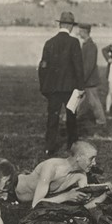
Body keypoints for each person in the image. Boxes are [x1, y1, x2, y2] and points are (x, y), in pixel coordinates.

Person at [38, 11, 84, 156]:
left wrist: (44, 86)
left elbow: (43, 67)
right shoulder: (74, 42)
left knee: (52, 117)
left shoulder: (49, 42)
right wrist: (81, 87)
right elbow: (78, 67)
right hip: (70, 88)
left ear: (60, 24)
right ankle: (72, 145)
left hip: (53, 88)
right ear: (70, 26)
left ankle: (49, 147)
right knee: (71, 117)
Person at [76, 23, 106, 126]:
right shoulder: (86, 44)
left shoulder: (91, 46)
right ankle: (71, 116)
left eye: (80, 31)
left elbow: (89, 65)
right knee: (77, 98)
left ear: (84, 32)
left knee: (94, 102)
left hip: (89, 80)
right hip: (86, 79)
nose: (78, 33)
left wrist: (82, 79)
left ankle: (101, 120)